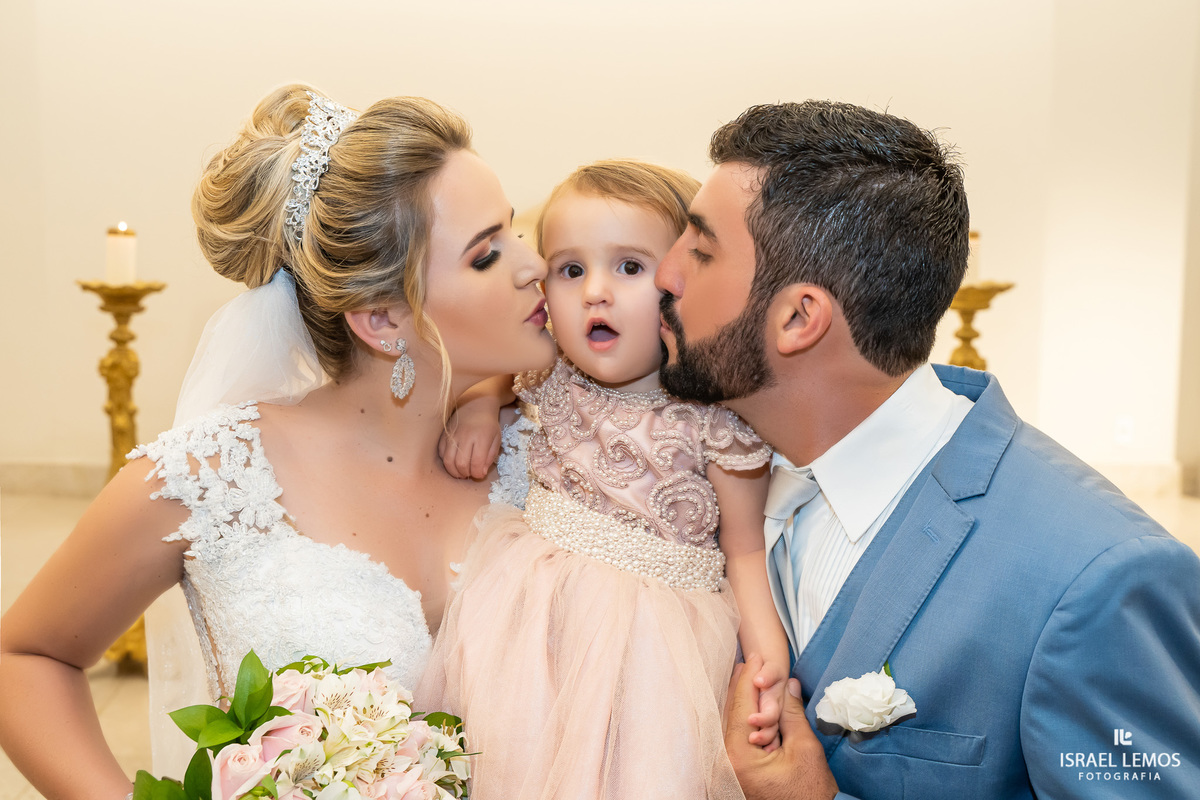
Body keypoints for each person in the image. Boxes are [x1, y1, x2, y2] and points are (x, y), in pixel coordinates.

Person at [0, 84, 555, 800]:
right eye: (486, 255)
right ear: (383, 321)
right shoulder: (213, 473)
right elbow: (27, 656)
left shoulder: (554, 453)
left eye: (514, 231)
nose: (533, 264)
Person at [656, 100, 1200, 799]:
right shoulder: (695, 465)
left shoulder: (1099, 578)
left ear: (798, 318)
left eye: (699, 251)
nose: (664, 275)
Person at [419, 160, 788, 799]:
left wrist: (765, 656)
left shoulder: (714, 420)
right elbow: (500, 376)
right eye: (570, 269)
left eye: (629, 267)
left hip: (658, 648)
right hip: (532, 620)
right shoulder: (549, 373)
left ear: (681, 283)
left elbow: (746, 552)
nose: (595, 291)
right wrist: (482, 405)